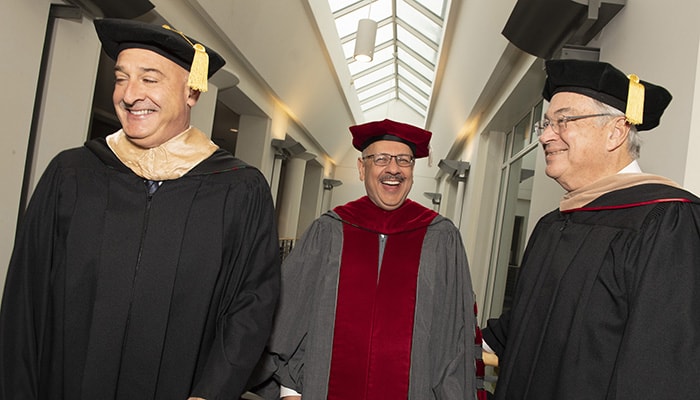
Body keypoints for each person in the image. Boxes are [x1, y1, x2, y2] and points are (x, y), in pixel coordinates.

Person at [0, 18, 280, 400]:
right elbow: (25, 297)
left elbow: (252, 306)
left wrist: (210, 394)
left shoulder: (239, 189)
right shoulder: (72, 174)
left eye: (150, 79)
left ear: (191, 91)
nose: (130, 95)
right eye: (120, 78)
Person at [482, 59, 700, 399]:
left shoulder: (665, 222)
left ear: (616, 131)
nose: (546, 135)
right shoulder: (553, 224)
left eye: (564, 121)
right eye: (547, 123)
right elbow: (528, 327)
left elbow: (660, 368)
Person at [251, 119, 485, 400]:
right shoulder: (329, 231)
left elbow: (454, 339)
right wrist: (290, 389)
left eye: (404, 160)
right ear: (362, 169)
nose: (394, 169)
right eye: (382, 159)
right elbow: (288, 319)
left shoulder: (441, 238)